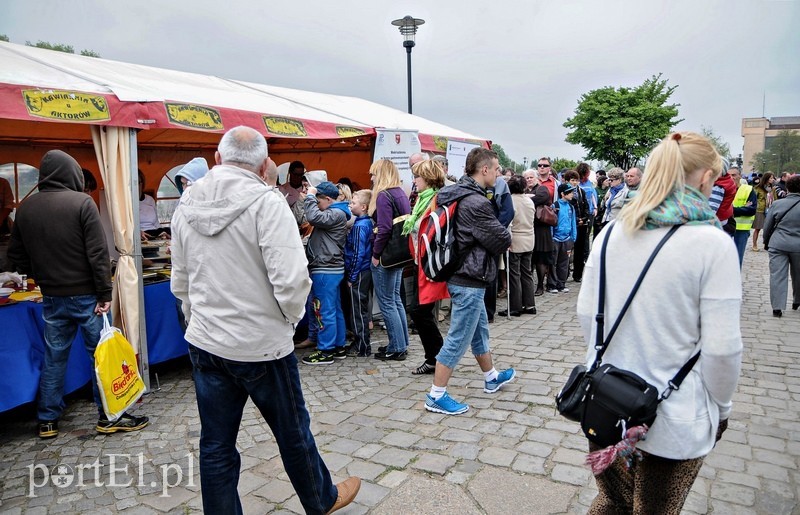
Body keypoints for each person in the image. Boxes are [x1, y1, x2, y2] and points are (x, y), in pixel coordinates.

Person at [170, 126, 360, 514]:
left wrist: (196, 321)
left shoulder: (187, 202)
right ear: (263, 164)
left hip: (208, 340)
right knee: (292, 432)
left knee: (216, 445)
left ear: (218, 158)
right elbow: (292, 280)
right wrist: (287, 324)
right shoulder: (266, 202)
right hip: (260, 343)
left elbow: (182, 280)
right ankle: (321, 499)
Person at [576, 131, 742, 513]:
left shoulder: (611, 232)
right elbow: (722, 349)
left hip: (607, 403)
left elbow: (587, 315)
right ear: (704, 178)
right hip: (675, 412)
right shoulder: (710, 243)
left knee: (612, 502)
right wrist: (724, 408)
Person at [8, 150, 149, 438]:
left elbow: (17, 259)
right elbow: (98, 255)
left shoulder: (25, 209)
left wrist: (43, 275)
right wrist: (104, 293)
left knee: (54, 357)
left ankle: (47, 420)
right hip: (87, 295)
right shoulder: (83, 203)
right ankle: (109, 417)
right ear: (71, 173)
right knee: (101, 356)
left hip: (51, 296)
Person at [423, 148, 515, 415]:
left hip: (465, 274)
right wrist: (502, 231)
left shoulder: (460, 193)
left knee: (478, 331)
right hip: (469, 277)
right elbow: (502, 239)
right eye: (496, 169)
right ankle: (436, 395)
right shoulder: (476, 202)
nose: (499, 174)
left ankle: (491, 377)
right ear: (484, 169)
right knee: (459, 337)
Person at [403, 159, 448, 374]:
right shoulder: (423, 199)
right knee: (420, 312)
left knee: (419, 311)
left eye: (417, 177)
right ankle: (436, 357)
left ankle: (438, 357)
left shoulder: (436, 199)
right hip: (420, 262)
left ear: (428, 178)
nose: (414, 181)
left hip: (430, 264)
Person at [301, 181, 352, 365]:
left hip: (325, 269)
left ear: (328, 199)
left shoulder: (335, 213)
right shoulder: (338, 212)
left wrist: (308, 197)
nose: (316, 204)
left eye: (318, 200)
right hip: (330, 268)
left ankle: (326, 350)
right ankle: (338, 346)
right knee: (334, 309)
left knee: (323, 310)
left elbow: (314, 217)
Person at [369, 159, 411, 361]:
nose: (371, 178)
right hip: (398, 254)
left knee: (387, 301)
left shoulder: (384, 196)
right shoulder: (400, 192)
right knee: (395, 299)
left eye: (374, 174)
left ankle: (396, 347)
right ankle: (402, 343)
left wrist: (375, 255)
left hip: (386, 256)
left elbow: (384, 229)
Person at [762, 174, 800, 317]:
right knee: (798, 275)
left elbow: (768, 226)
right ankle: (797, 300)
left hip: (778, 244)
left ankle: (777, 307)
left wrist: (766, 241)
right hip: (798, 246)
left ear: (788, 187)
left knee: (777, 275)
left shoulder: (778, 204)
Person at [499, 174, 536, 317]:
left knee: (514, 275)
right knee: (527, 273)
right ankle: (530, 304)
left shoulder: (510, 201)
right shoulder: (529, 201)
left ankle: (515, 306)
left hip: (516, 239)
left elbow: (508, 222)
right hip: (529, 239)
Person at [484, 163, 514, 322]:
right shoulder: (467, 181)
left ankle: (488, 312)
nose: (497, 172)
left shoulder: (501, 184)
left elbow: (508, 212)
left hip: (492, 239)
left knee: (490, 274)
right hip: (473, 240)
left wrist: (495, 231)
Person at [345, 189, 374, 356]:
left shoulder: (359, 226)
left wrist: (352, 276)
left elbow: (358, 253)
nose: (350, 205)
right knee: (360, 308)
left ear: (363, 207)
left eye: (353, 203)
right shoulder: (367, 223)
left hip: (359, 272)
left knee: (357, 309)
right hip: (364, 271)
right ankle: (362, 343)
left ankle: (361, 345)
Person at [549, 183, 578, 293]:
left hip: (567, 239)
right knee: (553, 262)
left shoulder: (571, 207)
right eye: (570, 192)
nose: (572, 194)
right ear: (562, 194)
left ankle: (561, 283)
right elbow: (552, 222)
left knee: (564, 263)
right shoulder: (555, 205)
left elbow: (573, 222)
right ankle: (552, 284)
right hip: (556, 238)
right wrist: (552, 237)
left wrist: (573, 237)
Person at [574, 163, 597, 282]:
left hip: (587, 214)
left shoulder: (589, 184)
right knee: (580, 241)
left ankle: (584, 262)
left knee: (585, 240)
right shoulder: (580, 184)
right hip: (579, 215)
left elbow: (593, 197)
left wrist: (594, 209)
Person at [730, 167, 757, 267]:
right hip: (725, 227)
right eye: (729, 175)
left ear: (740, 176)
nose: (731, 177)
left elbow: (751, 210)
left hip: (741, 229)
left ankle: (735, 281)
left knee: (737, 258)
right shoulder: (723, 189)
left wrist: (732, 210)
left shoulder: (748, 189)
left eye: (734, 175)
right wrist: (742, 208)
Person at [708, 158, 738, 236]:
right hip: (724, 218)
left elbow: (712, 209)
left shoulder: (718, 187)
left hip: (718, 220)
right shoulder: (726, 181)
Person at [278, 160, 307, 224]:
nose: (298, 177)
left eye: (300, 175)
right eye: (295, 174)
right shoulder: (282, 189)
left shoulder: (306, 189)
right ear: (290, 173)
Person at [752, 172, 775, 251]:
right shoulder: (758, 188)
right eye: (771, 178)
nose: (772, 179)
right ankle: (754, 244)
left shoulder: (772, 188)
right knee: (757, 228)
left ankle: (766, 244)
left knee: (769, 228)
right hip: (760, 209)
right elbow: (754, 198)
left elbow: (774, 198)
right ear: (766, 178)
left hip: (770, 209)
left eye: (773, 178)